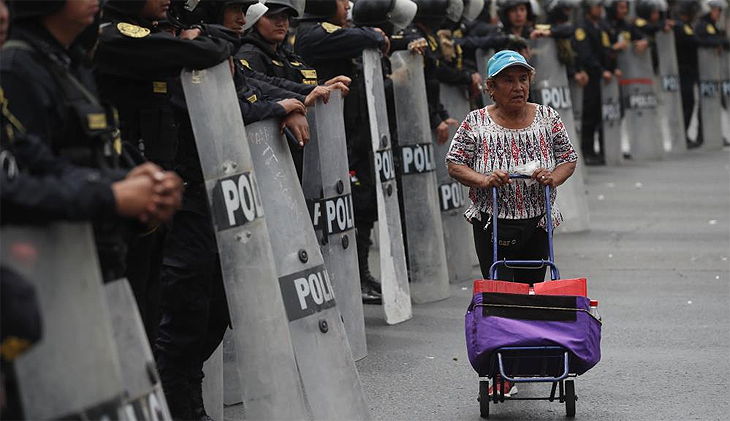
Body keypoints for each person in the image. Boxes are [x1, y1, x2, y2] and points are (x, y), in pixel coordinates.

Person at [1, 0, 183, 284]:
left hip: (94, 253)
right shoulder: (16, 68)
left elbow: (59, 159)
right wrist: (113, 194)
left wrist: (131, 180)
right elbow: (21, 182)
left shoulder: (71, 61)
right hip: (49, 272)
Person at [446, 50, 577, 286]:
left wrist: (552, 177)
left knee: (531, 289)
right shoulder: (475, 122)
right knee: (501, 290)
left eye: (523, 79)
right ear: (491, 88)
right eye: (508, 80)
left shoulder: (548, 117)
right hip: (492, 221)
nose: (518, 87)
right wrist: (483, 180)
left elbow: (568, 159)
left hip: (538, 220)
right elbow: (454, 164)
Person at [295, 0, 391, 304]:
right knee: (336, 211)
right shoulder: (315, 33)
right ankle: (339, 280)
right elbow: (368, 38)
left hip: (351, 136)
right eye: (341, 0)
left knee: (360, 207)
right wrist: (375, 35)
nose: (348, 4)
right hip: (329, 141)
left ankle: (359, 274)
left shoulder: (332, 32)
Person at [574, 0, 614, 164]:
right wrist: (600, 69)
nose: (600, 10)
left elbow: (606, 49)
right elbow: (586, 54)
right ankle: (587, 151)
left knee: (599, 114)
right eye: (597, 6)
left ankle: (601, 150)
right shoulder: (582, 28)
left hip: (601, 77)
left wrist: (611, 68)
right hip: (590, 77)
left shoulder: (601, 26)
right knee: (589, 115)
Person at [673, 0, 702, 146]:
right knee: (686, 103)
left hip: (688, 70)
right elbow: (694, 40)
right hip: (682, 70)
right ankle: (681, 136)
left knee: (688, 103)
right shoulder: (679, 27)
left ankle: (684, 136)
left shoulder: (685, 26)